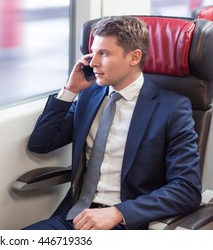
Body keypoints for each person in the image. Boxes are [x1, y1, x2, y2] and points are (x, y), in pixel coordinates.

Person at [24, 16, 202, 230]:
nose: (93, 62)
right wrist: (70, 90)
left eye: (104, 54)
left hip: (127, 222)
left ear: (134, 57)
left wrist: (118, 213)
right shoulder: (89, 96)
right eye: (93, 52)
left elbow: (186, 189)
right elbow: (41, 143)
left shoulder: (171, 108)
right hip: (76, 215)